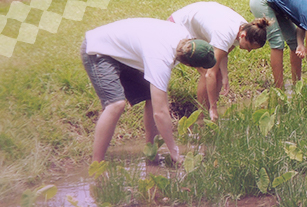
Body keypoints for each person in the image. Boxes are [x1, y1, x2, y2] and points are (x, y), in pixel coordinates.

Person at [81, 18, 216, 164]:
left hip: (123, 51)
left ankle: (150, 151)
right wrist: (174, 152)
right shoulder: (160, 60)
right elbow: (160, 112)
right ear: (189, 65)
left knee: (152, 97)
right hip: (98, 49)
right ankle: (96, 165)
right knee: (116, 104)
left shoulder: (184, 37)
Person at [169, 2, 270, 120]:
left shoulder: (244, 28)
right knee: (205, 71)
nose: (248, 51)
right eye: (249, 47)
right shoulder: (225, 34)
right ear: (243, 35)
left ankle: (209, 115)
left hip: (197, 26)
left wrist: (225, 76)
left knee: (219, 75)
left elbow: (223, 54)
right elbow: (209, 73)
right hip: (177, 25)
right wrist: (214, 107)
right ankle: (202, 117)